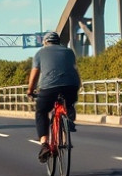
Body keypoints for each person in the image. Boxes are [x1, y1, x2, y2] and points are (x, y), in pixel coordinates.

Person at [26, 31, 82, 163]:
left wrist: (30, 90)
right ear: (59, 42)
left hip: (48, 88)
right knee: (69, 103)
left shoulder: (40, 53)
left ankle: (45, 144)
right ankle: (69, 117)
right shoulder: (69, 52)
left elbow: (34, 74)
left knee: (41, 112)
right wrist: (77, 86)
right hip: (71, 87)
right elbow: (74, 69)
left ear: (45, 42)